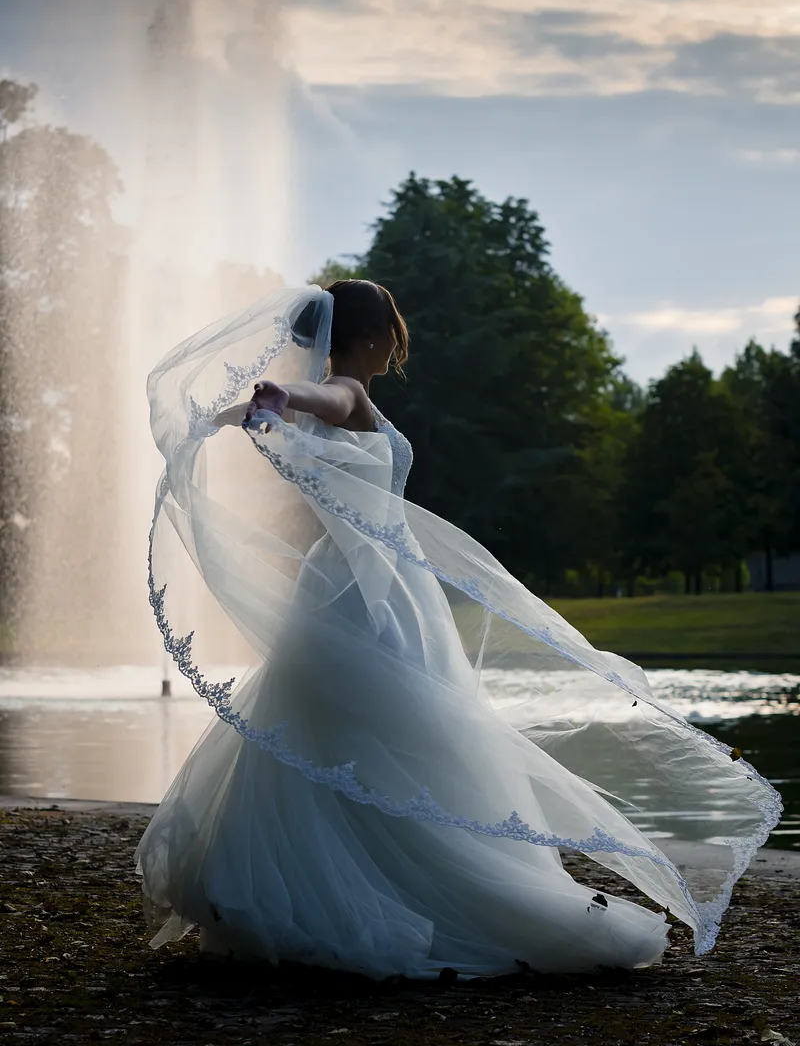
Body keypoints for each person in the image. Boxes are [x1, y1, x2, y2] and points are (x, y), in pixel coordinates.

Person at [136, 279, 780, 979]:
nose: (395, 348)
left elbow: (306, 402)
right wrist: (279, 396)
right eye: (391, 335)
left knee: (340, 726)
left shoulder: (330, 397)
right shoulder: (346, 391)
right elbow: (329, 397)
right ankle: (389, 888)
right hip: (371, 587)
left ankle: (318, 885)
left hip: (349, 579)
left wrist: (247, 410)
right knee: (393, 726)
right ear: (371, 337)